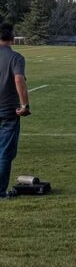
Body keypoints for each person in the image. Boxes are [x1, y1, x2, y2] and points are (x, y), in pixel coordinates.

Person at [0, 23, 31, 199]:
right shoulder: (16, 58)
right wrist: (25, 105)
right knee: (5, 152)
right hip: (8, 110)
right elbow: (19, 80)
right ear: (12, 38)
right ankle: (0, 192)